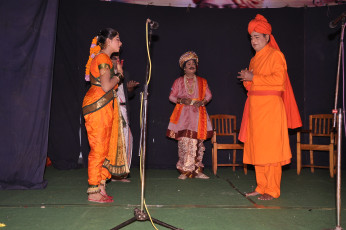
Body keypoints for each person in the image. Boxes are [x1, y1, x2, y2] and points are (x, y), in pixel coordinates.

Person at [237, 14, 302, 200]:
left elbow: (279, 81)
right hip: (255, 109)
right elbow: (252, 86)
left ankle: (272, 189)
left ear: (267, 37)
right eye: (251, 37)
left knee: (271, 149)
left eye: (257, 37)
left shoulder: (276, 55)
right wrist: (247, 79)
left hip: (271, 109)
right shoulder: (254, 60)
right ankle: (261, 186)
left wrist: (253, 78)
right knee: (258, 148)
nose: (253, 40)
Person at [82, 28, 130, 203]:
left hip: (103, 106)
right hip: (97, 106)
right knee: (98, 148)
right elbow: (106, 86)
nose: (120, 42)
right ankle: (93, 191)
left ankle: (101, 186)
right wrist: (118, 74)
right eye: (117, 39)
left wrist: (117, 72)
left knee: (105, 147)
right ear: (108, 41)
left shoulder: (105, 59)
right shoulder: (102, 58)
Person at [167, 51, 213, 180]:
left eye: (193, 63)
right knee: (184, 142)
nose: (192, 65)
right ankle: (185, 170)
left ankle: (198, 170)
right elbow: (171, 96)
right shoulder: (178, 81)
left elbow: (209, 95)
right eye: (189, 64)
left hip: (199, 115)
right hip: (183, 115)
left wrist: (202, 102)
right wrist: (182, 100)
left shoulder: (203, 81)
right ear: (184, 68)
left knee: (198, 142)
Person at [110, 53, 139, 182]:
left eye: (118, 58)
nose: (117, 61)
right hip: (111, 110)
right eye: (114, 58)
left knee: (128, 139)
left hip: (123, 109)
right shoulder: (105, 73)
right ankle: (111, 173)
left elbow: (128, 95)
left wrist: (130, 89)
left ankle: (121, 173)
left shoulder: (124, 73)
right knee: (114, 140)